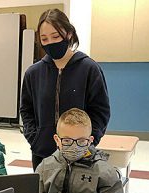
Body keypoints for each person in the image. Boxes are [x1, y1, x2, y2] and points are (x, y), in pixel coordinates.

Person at [20, 8, 110, 171]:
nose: (50, 43)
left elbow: (100, 111)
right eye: (44, 39)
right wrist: (34, 138)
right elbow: (26, 110)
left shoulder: (90, 69)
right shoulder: (33, 73)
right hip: (43, 154)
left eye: (55, 36)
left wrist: (88, 142)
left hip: (80, 153)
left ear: (68, 33)